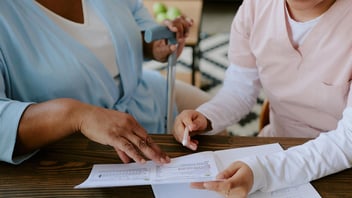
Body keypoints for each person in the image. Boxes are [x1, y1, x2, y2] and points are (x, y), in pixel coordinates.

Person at [173, 0, 352, 197]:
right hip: (274, 146)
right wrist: (205, 117)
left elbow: (347, 140)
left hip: (338, 166)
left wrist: (264, 172)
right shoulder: (254, 8)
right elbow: (240, 89)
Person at [0, 0, 211, 165]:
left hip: (148, 106)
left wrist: (156, 45)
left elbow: (136, 19)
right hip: (74, 153)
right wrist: (76, 115)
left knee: (214, 121)